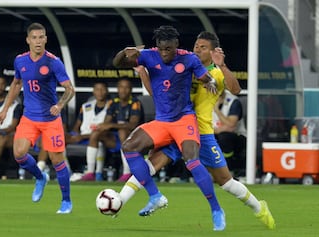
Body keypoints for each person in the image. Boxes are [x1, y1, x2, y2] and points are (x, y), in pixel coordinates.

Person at [118, 31, 275, 230]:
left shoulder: (215, 72)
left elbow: (236, 90)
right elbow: (159, 95)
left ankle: (258, 207)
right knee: (151, 165)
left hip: (202, 133)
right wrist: (144, 75)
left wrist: (222, 65)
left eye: (203, 47)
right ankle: (120, 201)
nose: (197, 49)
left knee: (225, 181)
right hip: (176, 127)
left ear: (213, 52)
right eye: (196, 46)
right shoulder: (184, 67)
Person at [112, 25, 225, 228]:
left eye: (169, 49)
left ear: (176, 46)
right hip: (162, 121)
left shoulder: (189, 58)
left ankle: (216, 209)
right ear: (157, 46)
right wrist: (124, 52)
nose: (165, 53)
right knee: (128, 147)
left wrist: (210, 81)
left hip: (184, 120)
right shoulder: (147, 56)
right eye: (162, 49)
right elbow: (116, 63)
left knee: (192, 161)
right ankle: (155, 196)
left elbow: (205, 75)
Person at [0, 22, 75, 214]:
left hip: (50, 120)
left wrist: (60, 105)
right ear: (28, 40)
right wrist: (5, 110)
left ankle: (66, 201)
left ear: (46, 39)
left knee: (57, 160)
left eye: (41, 37)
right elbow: (16, 84)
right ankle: (40, 177)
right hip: (29, 118)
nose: (38, 41)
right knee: (19, 154)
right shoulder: (20, 61)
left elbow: (69, 89)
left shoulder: (53, 62)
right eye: (35, 38)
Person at [81, 78, 144, 182]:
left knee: (122, 131)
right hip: (115, 140)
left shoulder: (135, 102)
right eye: (121, 87)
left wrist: (111, 125)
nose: (123, 90)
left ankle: (127, 173)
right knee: (96, 133)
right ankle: (90, 173)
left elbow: (133, 125)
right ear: (117, 89)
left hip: (133, 140)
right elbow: (107, 122)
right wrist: (105, 126)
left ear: (131, 89)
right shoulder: (113, 102)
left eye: (126, 88)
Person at [67, 81, 110, 181]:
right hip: (83, 136)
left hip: (99, 137)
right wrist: (75, 135)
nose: (100, 92)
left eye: (102, 89)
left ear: (107, 91)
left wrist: (82, 136)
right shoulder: (86, 106)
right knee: (60, 140)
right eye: (97, 89)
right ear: (93, 92)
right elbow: (77, 126)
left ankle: (98, 173)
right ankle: (67, 172)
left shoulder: (111, 106)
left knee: (98, 142)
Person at [213, 89, 247, 176]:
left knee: (224, 137)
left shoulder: (233, 101)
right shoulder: (204, 100)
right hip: (213, 133)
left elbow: (231, 125)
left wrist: (217, 110)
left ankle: (229, 170)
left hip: (236, 136)